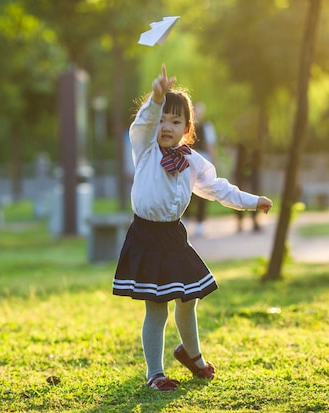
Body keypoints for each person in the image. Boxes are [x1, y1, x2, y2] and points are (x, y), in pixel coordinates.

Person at [112, 64, 273, 392]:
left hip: (173, 236)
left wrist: (253, 201)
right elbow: (141, 125)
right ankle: (154, 373)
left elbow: (220, 190)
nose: (166, 126)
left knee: (189, 298)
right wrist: (155, 100)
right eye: (162, 120)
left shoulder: (192, 162)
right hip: (146, 235)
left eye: (175, 121)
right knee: (157, 308)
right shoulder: (145, 151)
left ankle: (191, 353)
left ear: (187, 128)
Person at [185, 102, 217, 237]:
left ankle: (199, 222)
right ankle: (186, 218)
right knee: (187, 191)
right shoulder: (185, 126)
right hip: (188, 161)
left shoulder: (207, 127)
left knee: (203, 191)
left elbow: (211, 146)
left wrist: (213, 163)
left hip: (202, 161)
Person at [233, 143, 262, 232]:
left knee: (254, 193)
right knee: (239, 193)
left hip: (253, 165)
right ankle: (240, 220)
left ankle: (254, 219)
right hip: (241, 164)